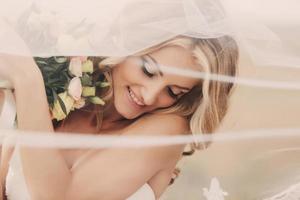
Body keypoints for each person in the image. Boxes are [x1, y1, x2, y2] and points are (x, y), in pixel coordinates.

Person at [0, 35, 238, 200]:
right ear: (127, 46)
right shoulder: (65, 88)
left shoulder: (168, 131)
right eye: (148, 70)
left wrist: (27, 79)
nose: (149, 95)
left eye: (173, 92)